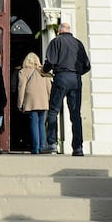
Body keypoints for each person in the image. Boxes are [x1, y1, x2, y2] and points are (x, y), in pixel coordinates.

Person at [43, 21, 91, 156]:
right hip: (76, 79)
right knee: (75, 114)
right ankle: (78, 148)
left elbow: (50, 62)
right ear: (69, 30)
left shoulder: (56, 42)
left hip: (61, 78)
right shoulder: (78, 43)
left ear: (59, 31)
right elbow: (87, 65)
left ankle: (52, 143)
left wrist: (44, 70)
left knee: (53, 110)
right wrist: (76, 73)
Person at [16, 51, 51, 155]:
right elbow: (49, 87)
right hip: (43, 100)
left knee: (34, 124)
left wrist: (20, 103)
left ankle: (35, 148)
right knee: (41, 124)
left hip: (31, 101)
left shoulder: (23, 72)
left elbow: (21, 88)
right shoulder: (43, 71)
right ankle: (42, 147)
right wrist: (48, 99)